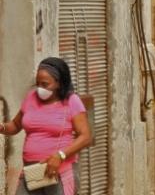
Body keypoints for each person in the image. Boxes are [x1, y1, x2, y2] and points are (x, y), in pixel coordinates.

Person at [0, 58, 93, 195]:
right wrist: (2, 127)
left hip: (58, 171)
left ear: (59, 83)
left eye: (45, 84)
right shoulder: (31, 98)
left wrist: (60, 155)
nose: (40, 89)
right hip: (31, 172)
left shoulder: (71, 101)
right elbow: (15, 125)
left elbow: (85, 137)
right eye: (37, 84)